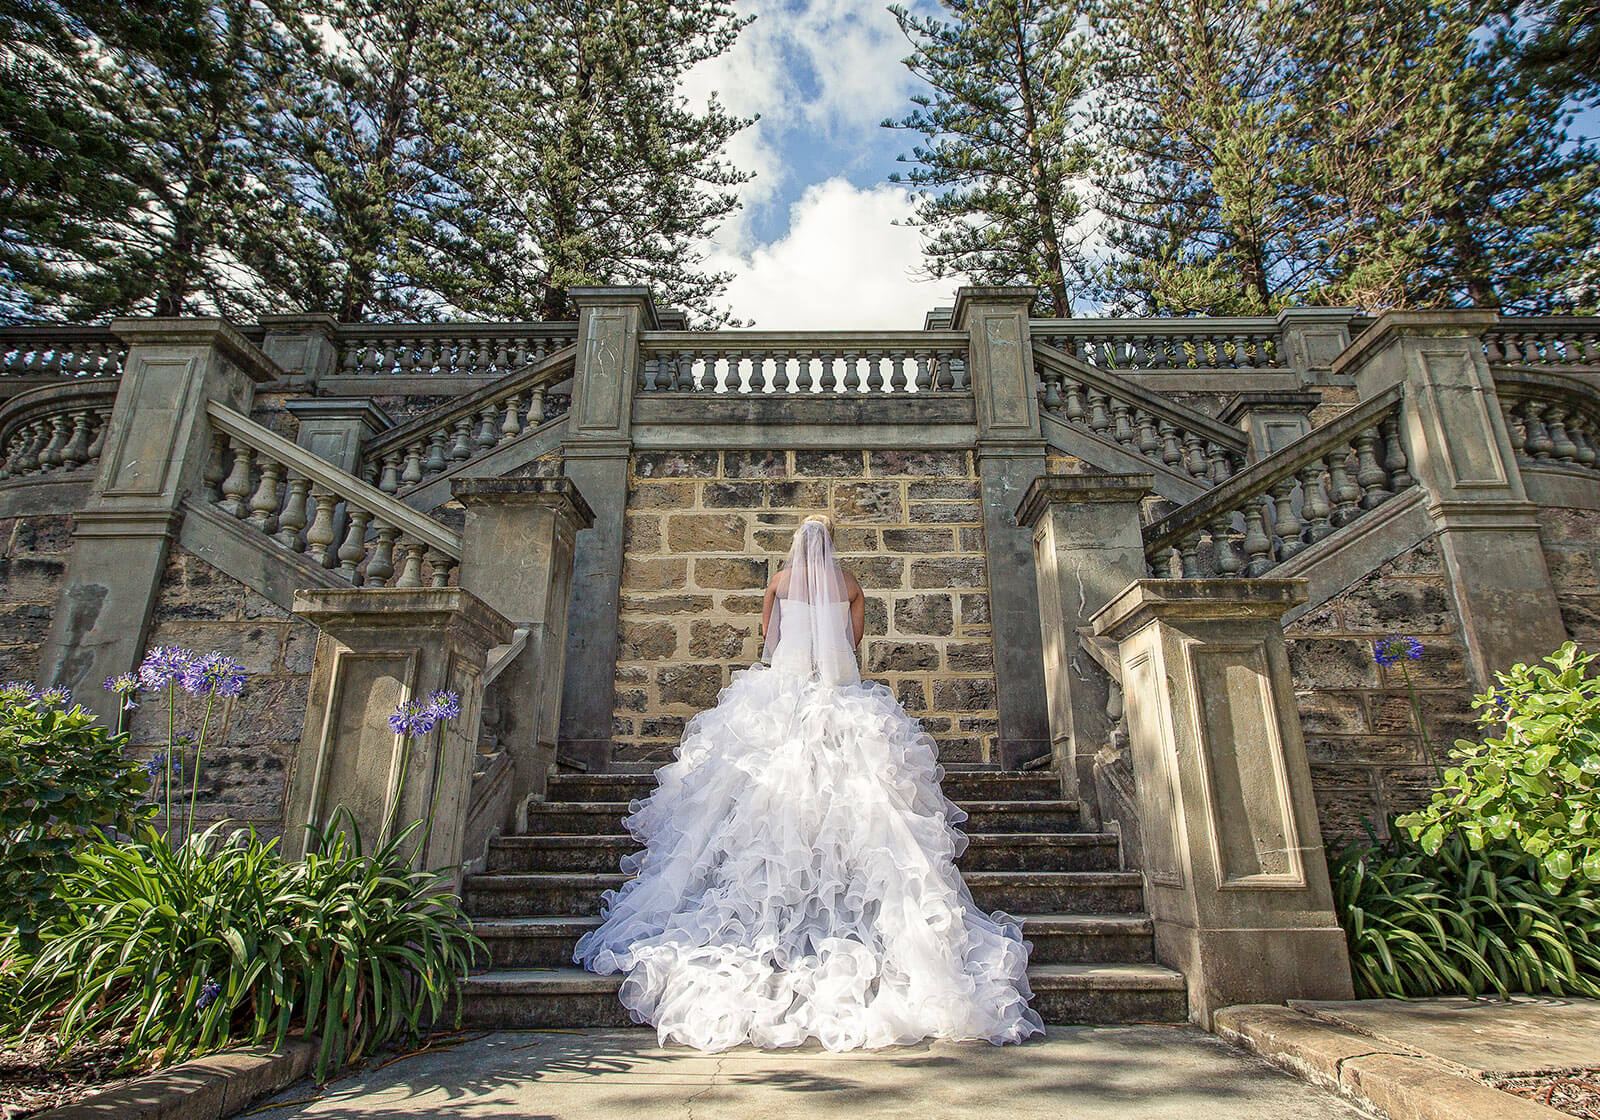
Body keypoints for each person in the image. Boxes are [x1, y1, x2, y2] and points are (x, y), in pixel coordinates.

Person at [573, 513, 1044, 1052]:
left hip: (783, 691)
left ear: (797, 544)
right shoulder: (850, 585)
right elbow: (853, 639)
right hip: (838, 690)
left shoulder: (777, 581)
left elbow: (769, 642)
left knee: (742, 796)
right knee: (867, 798)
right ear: (832, 546)